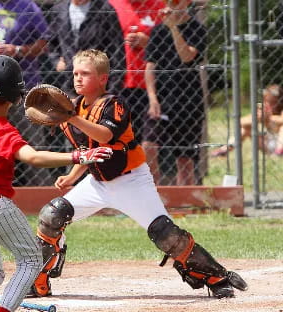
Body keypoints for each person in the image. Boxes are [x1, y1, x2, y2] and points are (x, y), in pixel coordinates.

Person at [28, 49, 248, 301]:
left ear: (102, 78)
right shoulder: (74, 111)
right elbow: (88, 149)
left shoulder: (114, 104)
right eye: (75, 73)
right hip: (97, 183)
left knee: (166, 234)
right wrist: (72, 175)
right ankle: (38, 281)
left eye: (85, 74)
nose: (78, 78)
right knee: (52, 215)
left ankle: (216, 277)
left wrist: (72, 118)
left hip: (131, 180)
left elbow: (104, 136)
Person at [0, 55, 112, 312]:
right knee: (32, 260)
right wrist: (77, 157)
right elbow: (33, 157)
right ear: (14, 94)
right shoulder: (3, 130)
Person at [0, 0, 54, 186]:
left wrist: (18, 50)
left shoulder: (28, 6)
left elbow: (45, 42)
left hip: (21, 87)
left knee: (31, 140)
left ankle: (41, 191)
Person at [143, 0, 207, 185]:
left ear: (187, 2)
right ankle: (153, 195)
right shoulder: (157, 31)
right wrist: (152, 98)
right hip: (161, 99)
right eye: (169, 1)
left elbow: (187, 56)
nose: (172, 5)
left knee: (185, 158)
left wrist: (173, 28)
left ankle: (183, 204)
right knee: (148, 146)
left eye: (177, 1)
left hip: (188, 100)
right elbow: (150, 67)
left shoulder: (197, 29)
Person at [108, 0, 165, 143]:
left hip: (153, 87)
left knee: (150, 142)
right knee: (123, 141)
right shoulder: (111, 5)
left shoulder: (160, 6)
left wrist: (149, 42)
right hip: (120, 84)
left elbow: (170, 43)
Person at [46, 0, 126, 97]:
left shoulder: (104, 9)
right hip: (69, 81)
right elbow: (51, 42)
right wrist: (57, 60)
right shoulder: (59, 9)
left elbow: (117, 50)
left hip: (98, 82)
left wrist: (112, 92)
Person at [212, 84, 283, 157]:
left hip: (280, 143)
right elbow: (240, 122)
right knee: (246, 128)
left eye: (274, 100)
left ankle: (279, 152)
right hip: (267, 144)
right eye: (268, 99)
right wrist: (257, 118)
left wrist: (268, 118)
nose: (270, 103)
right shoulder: (262, 108)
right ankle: (224, 150)